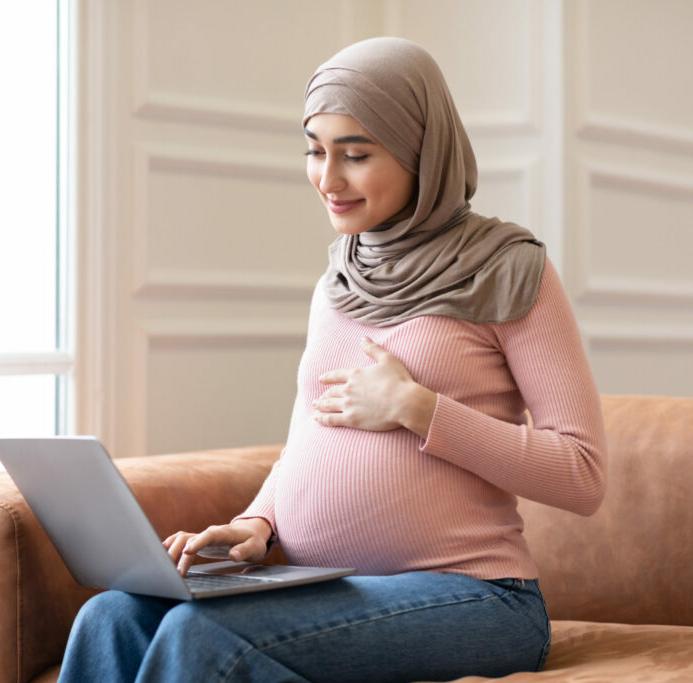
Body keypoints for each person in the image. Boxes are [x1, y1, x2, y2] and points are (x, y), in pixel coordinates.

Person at [57, 37, 606, 683]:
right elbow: (307, 443)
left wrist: (417, 407)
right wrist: (257, 522)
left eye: (357, 154)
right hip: (325, 583)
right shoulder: (340, 277)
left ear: (420, 151)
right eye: (316, 150)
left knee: (199, 634)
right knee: (111, 616)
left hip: (478, 597)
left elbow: (582, 473)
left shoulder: (512, 269)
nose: (328, 177)